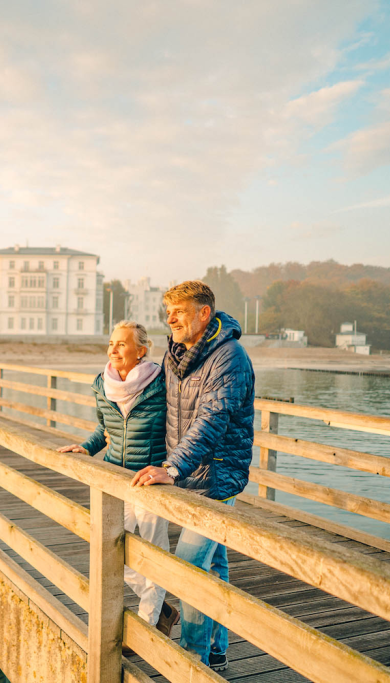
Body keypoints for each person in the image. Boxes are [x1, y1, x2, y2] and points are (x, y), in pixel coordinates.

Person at [129, 281, 255, 673]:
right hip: (185, 475)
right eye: (167, 312)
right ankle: (217, 652)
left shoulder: (229, 357)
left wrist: (171, 467)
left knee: (187, 567)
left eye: (179, 311)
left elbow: (212, 418)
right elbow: (162, 410)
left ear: (204, 313)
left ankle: (192, 662)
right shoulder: (176, 354)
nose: (170, 319)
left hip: (217, 480)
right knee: (212, 565)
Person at [58, 320, 180, 640]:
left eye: (122, 344)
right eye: (112, 343)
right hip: (116, 478)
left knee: (154, 553)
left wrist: (172, 468)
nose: (114, 349)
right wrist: (87, 447)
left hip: (150, 480)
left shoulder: (162, 382)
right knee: (110, 549)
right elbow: (105, 428)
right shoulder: (102, 384)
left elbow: (180, 428)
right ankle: (162, 607)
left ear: (141, 351)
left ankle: (148, 625)